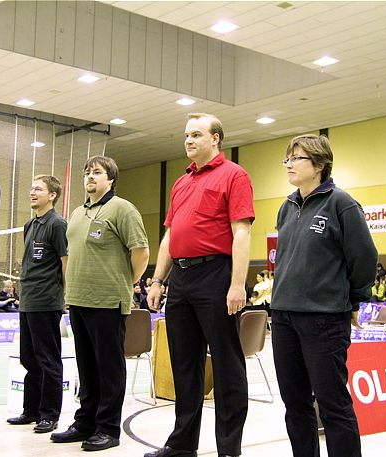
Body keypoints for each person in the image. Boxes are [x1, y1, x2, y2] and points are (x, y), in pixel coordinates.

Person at [146, 113, 254, 457]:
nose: (188, 141)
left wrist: (238, 283)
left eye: (196, 135)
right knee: (184, 366)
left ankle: (228, 449)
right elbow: (169, 235)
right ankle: (181, 445)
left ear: (215, 139)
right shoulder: (181, 182)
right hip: (180, 278)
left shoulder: (234, 176)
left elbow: (242, 232)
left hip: (216, 276)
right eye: (185, 136)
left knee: (226, 365)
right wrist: (158, 280)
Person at [271, 134, 377, 457]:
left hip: (324, 319)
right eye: (287, 158)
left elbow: (365, 258)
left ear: (319, 165)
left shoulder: (341, 204)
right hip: (284, 318)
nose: (289, 164)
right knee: (295, 404)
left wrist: (356, 299)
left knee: (332, 405)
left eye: (297, 158)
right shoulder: (286, 207)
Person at [50, 156, 149, 452]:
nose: (90, 177)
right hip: (79, 300)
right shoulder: (78, 212)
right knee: (87, 367)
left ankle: (107, 428)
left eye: (97, 172)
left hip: (108, 301)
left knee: (109, 368)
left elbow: (141, 252)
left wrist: (123, 281)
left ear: (111, 179)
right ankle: (85, 422)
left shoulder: (122, 209)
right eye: (87, 172)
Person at [6, 175, 68, 434]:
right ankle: (30, 410)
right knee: (29, 358)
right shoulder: (29, 225)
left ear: (52, 195)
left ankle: (49, 414)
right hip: (28, 301)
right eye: (31, 188)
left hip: (46, 300)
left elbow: (66, 262)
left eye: (38, 189)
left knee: (48, 359)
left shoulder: (57, 224)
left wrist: (64, 296)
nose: (32, 192)